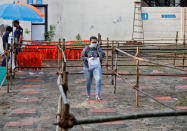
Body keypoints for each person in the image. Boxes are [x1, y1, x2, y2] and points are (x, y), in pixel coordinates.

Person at [81, 36, 105, 100]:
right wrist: (88, 58)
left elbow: (103, 55)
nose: (94, 43)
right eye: (93, 42)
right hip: (88, 67)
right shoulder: (86, 48)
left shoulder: (98, 48)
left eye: (95, 42)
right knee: (88, 82)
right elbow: (82, 57)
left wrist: (98, 49)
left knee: (98, 79)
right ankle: (88, 95)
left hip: (97, 67)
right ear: (90, 42)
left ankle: (97, 95)